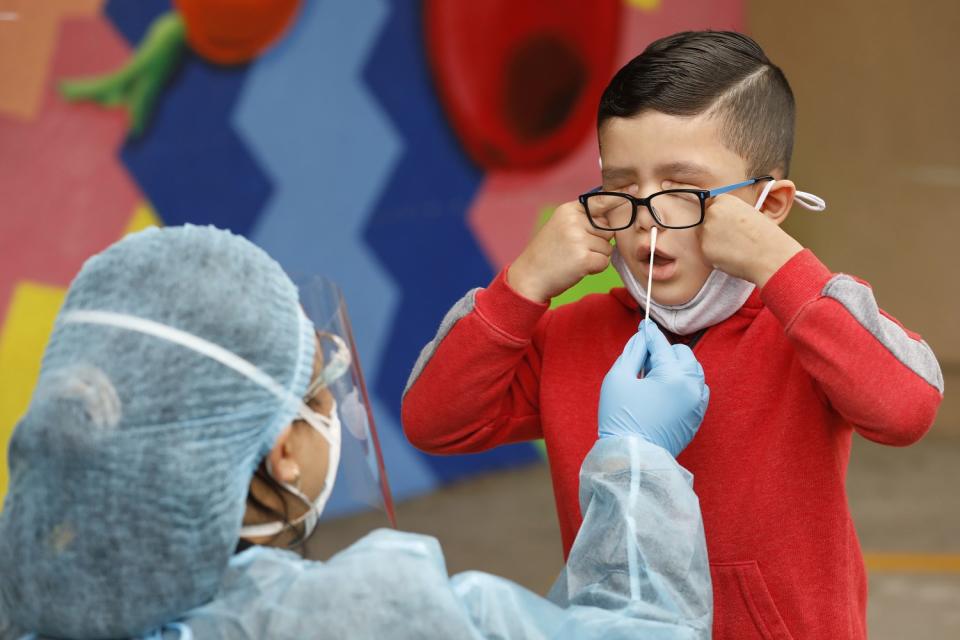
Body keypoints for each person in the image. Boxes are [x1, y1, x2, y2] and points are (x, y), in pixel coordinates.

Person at [401, 30, 944, 639]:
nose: (646, 224)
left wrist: (780, 266)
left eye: (683, 191)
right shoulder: (574, 335)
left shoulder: (806, 322)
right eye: (623, 187)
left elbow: (907, 408)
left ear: (766, 206)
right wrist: (522, 283)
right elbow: (433, 420)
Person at [0, 225, 714, 639]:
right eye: (318, 389)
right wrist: (638, 465)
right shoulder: (367, 617)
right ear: (283, 452)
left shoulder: (31, 594)